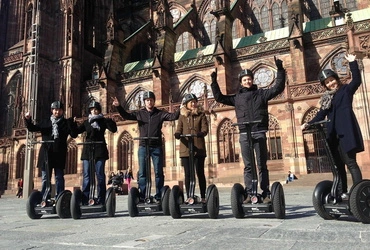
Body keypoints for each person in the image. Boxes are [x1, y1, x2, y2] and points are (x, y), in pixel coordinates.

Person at [210, 57, 286, 203]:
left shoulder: (262, 94)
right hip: (244, 133)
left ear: (252, 80)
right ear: (241, 82)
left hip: (259, 132)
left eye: (249, 79)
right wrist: (214, 82)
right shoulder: (236, 98)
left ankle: (265, 193)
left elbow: (278, 88)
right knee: (248, 166)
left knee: (262, 164)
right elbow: (219, 97)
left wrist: (280, 70)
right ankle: (250, 192)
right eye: (244, 80)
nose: (247, 82)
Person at [301, 53, 363, 200]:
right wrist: (307, 124)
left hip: (346, 132)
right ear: (324, 86)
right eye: (327, 83)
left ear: (336, 79)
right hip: (333, 135)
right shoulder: (326, 99)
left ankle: (358, 193)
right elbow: (320, 115)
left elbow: (357, 81)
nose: (330, 84)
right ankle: (342, 192)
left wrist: (353, 63)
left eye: (332, 80)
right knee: (338, 165)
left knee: (351, 163)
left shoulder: (346, 90)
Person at [112, 91, 180, 202]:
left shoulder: (160, 113)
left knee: (158, 172)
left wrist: (180, 109)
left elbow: (172, 117)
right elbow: (126, 115)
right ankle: (143, 195)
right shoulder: (139, 113)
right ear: (144, 102)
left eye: (151, 100)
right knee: (142, 172)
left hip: (156, 146)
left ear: (154, 101)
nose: (149, 102)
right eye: (147, 100)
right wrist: (118, 106)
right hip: (143, 146)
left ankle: (159, 196)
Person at [25, 101, 77, 199]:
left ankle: (60, 197)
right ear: (52, 111)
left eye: (59, 110)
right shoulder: (46, 122)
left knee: (59, 177)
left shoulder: (66, 123)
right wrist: (28, 120)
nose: (57, 112)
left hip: (59, 153)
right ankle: (45, 196)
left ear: (62, 111)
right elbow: (32, 128)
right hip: (46, 153)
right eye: (55, 110)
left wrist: (73, 124)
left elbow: (74, 135)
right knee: (45, 178)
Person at [74, 101, 117, 205]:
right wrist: (73, 123)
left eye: (96, 109)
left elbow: (113, 130)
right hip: (88, 150)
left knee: (100, 175)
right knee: (87, 175)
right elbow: (76, 133)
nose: (94, 111)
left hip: (100, 150)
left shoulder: (103, 121)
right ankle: (85, 199)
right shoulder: (86, 122)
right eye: (92, 109)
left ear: (99, 110)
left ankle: (101, 199)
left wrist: (111, 121)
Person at [174, 93, 208, 203]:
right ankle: (189, 196)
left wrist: (201, 133)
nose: (193, 104)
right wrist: (178, 134)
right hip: (186, 149)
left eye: (194, 102)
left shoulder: (201, 115)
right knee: (188, 174)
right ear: (186, 104)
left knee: (200, 173)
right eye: (191, 102)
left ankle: (203, 197)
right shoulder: (182, 116)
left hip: (198, 149)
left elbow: (205, 128)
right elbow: (179, 128)